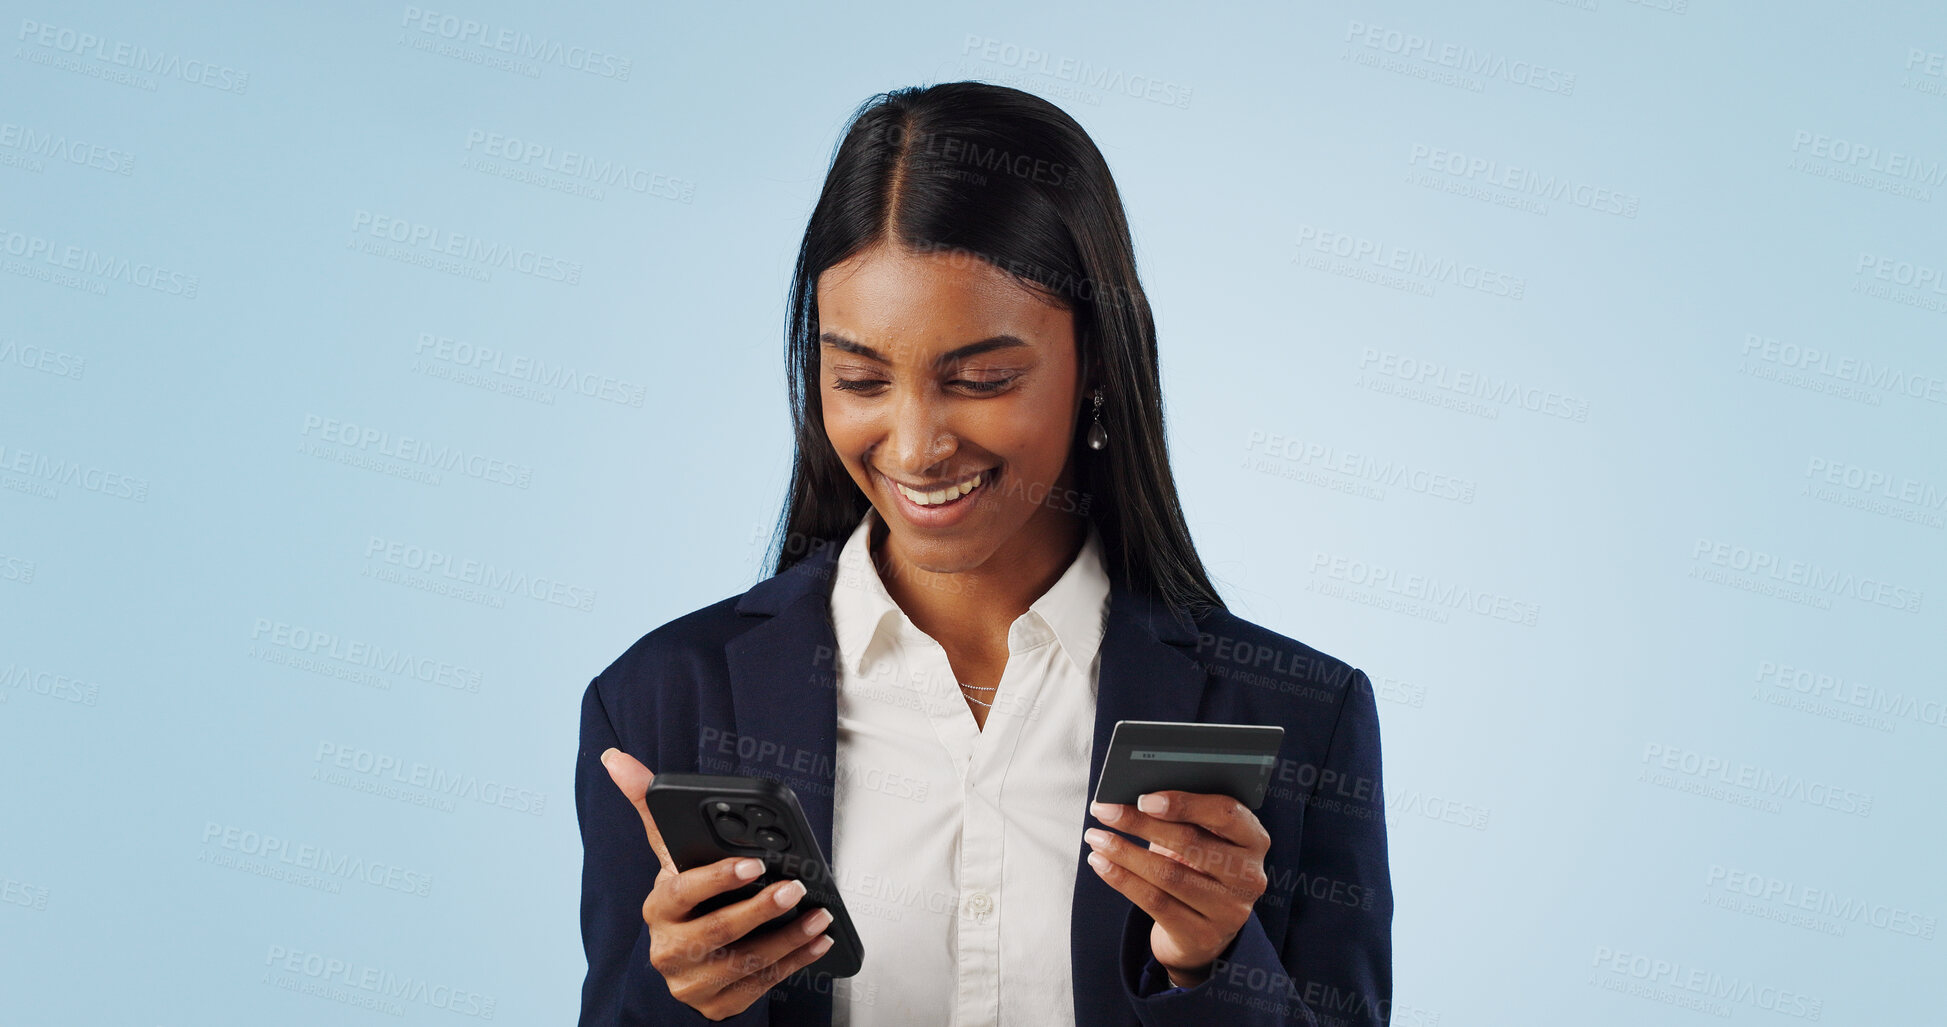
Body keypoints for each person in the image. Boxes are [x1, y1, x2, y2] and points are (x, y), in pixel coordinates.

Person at [576, 81, 1392, 1027]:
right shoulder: (660, 703)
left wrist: (1210, 967)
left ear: (1097, 367)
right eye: (860, 378)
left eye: (981, 379)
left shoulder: (1298, 713)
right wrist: (682, 1000)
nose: (916, 445)